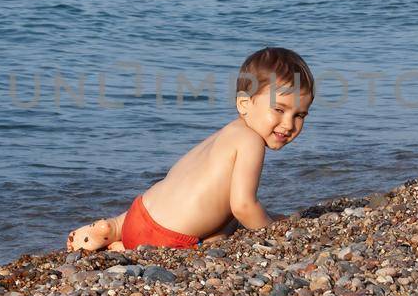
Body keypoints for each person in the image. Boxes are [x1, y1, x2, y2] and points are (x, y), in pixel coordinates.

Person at [67, 46, 314, 252]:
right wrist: (275, 233)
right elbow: (243, 206)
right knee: (231, 219)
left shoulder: (226, 133)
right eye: (279, 110)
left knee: (211, 206)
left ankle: (113, 228)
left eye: (300, 115)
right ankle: (131, 247)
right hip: (167, 239)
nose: (289, 124)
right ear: (244, 104)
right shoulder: (250, 142)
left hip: (139, 211)